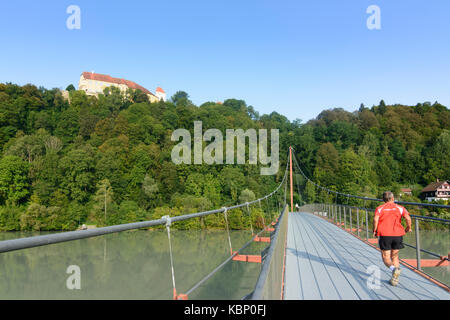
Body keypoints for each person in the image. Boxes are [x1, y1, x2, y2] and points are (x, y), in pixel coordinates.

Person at [373, 191, 412, 286]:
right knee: (395, 256)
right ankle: (395, 279)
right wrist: (408, 227)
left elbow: (375, 219)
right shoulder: (400, 208)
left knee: (386, 258)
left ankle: (394, 269)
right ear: (393, 198)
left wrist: (374, 230)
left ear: (383, 199)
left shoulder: (380, 208)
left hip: (385, 234)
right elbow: (408, 218)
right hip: (398, 235)